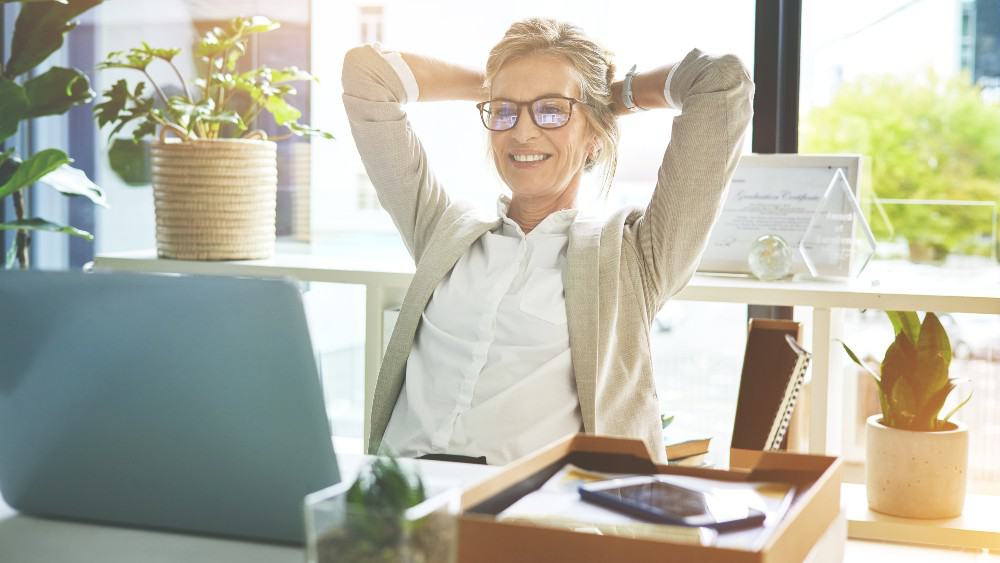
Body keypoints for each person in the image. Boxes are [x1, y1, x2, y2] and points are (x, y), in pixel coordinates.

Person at [342, 18, 753, 465]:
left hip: (528, 514)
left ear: (594, 135)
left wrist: (613, 98)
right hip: (395, 502)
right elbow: (367, 74)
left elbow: (721, 81)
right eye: (505, 112)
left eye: (552, 112)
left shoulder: (634, 257)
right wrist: (496, 87)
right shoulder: (445, 233)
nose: (522, 132)